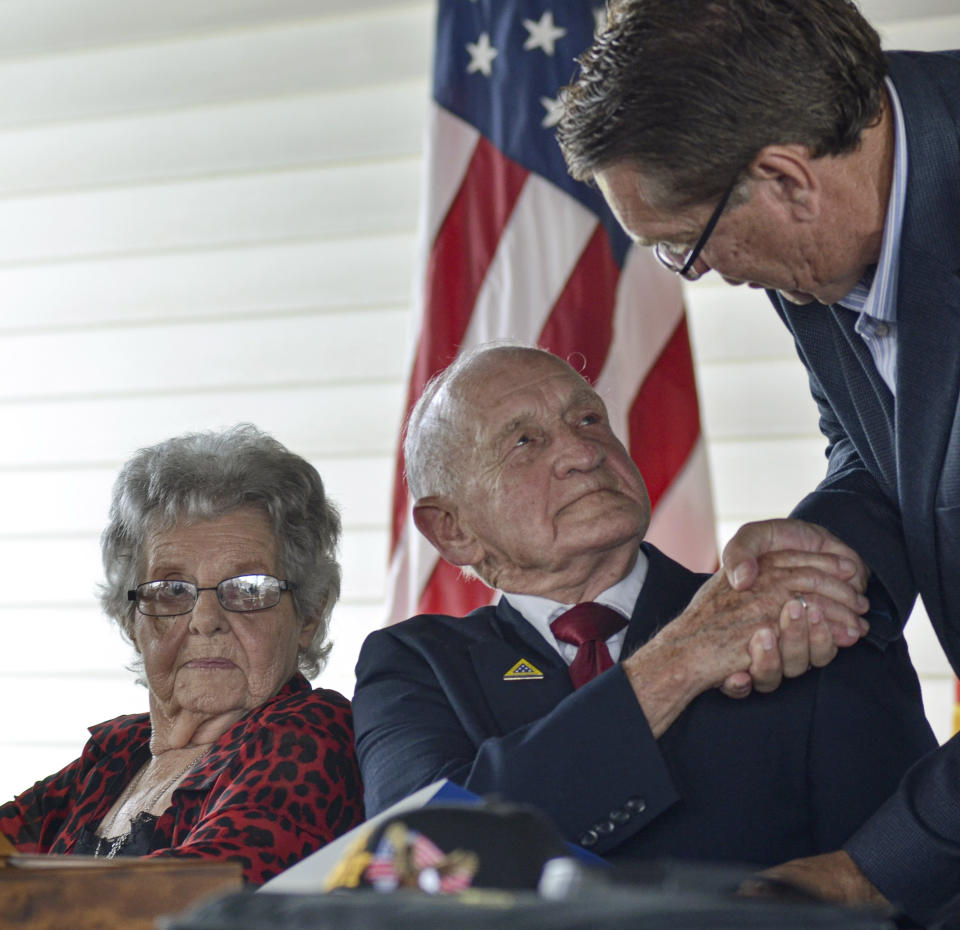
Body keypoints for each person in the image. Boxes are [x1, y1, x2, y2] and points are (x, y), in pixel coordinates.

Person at [557, 0, 960, 921]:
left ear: (785, 179)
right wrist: (814, 562)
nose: (703, 274)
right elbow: (878, 446)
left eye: (681, 245)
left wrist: (875, 871)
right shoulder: (828, 202)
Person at [352, 344, 935, 868]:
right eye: (524, 441)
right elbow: (421, 855)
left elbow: (909, 870)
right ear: (452, 530)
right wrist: (681, 660)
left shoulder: (784, 614)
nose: (583, 451)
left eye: (588, 419)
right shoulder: (414, 664)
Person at [0, 425, 364, 885]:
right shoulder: (116, 754)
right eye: (171, 589)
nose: (204, 619)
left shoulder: (312, 735)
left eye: (249, 589)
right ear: (132, 621)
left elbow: (195, 893)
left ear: (309, 615)